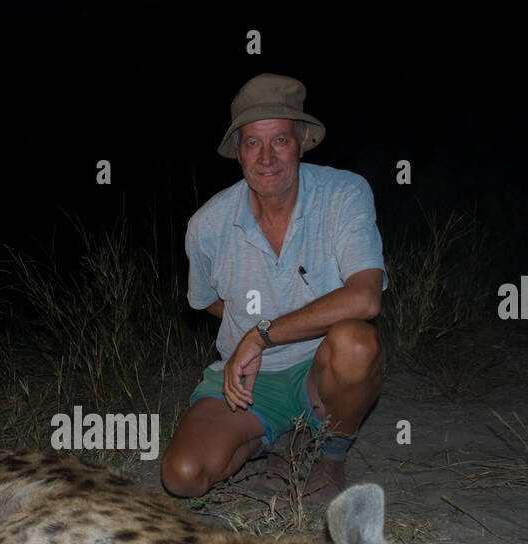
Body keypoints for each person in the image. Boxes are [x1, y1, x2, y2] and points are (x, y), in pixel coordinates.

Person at [161, 73, 387, 504]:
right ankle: (280, 439)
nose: (266, 157)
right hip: (250, 380)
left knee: (357, 342)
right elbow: (209, 302)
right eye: (252, 143)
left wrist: (262, 332)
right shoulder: (207, 226)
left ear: (302, 141)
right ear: (238, 151)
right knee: (182, 476)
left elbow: (366, 297)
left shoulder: (344, 194)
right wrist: (248, 334)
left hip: (321, 367)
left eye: (280, 140)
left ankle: (330, 454)